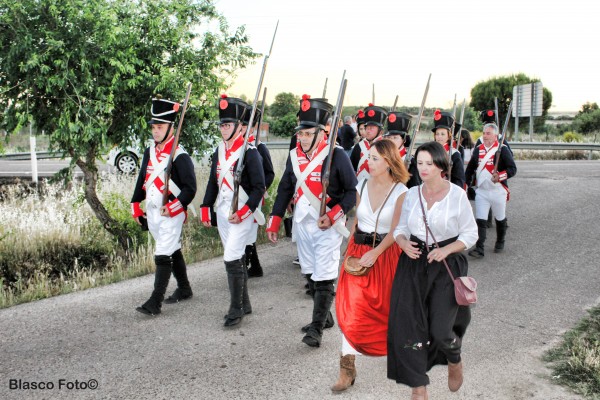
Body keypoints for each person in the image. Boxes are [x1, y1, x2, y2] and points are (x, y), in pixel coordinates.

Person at [387, 141, 478, 400]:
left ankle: (454, 358)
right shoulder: (412, 193)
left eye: (429, 163)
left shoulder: (457, 195)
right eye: (419, 163)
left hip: (446, 264)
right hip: (413, 264)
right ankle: (418, 385)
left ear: (441, 166)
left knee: (440, 330)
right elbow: (401, 228)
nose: (423, 169)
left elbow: (470, 233)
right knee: (409, 328)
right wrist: (403, 243)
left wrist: (447, 251)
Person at [266, 94, 357, 348]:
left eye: (308, 134)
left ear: (321, 133)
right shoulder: (295, 156)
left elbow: (351, 192)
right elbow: (285, 187)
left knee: (325, 274)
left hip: (327, 224)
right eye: (301, 134)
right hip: (301, 223)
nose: (303, 139)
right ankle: (325, 317)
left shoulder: (336, 155)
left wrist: (333, 214)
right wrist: (274, 220)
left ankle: (316, 329)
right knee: (310, 272)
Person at [332, 139, 409, 392]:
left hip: (385, 255)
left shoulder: (401, 191)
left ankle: (409, 355)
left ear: (389, 162)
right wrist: (349, 251)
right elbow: (356, 220)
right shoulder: (361, 184)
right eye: (369, 157)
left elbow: (396, 229)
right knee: (351, 309)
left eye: (375, 158)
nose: (369, 162)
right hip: (358, 252)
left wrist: (376, 253)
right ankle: (347, 369)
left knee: (386, 310)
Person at [199, 95, 266, 327]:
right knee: (235, 257)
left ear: (239, 127)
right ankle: (245, 303)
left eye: (228, 125)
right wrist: (206, 206)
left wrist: (246, 211)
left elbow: (259, 187)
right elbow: (212, 183)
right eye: (222, 125)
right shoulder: (219, 151)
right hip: (223, 211)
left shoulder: (250, 152)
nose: (223, 129)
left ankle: (235, 308)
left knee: (230, 257)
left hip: (242, 213)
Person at [132, 96, 197, 316]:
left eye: (160, 127)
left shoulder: (179, 155)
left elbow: (190, 188)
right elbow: (143, 179)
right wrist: (135, 204)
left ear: (171, 128)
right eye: (154, 127)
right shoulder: (150, 152)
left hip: (171, 212)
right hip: (153, 212)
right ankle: (185, 287)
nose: (155, 131)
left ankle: (154, 302)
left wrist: (175, 208)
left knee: (162, 253)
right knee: (172, 248)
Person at [465, 122, 517, 258]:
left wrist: (500, 176)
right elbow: (470, 169)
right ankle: (479, 248)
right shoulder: (478, 150)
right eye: (484, 133)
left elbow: (512, 169)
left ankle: (500, 241)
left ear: (495, 136)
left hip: (498, 191)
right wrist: (466, 185)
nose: (485, 136)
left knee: (500, 218)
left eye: (488, 133)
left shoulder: (503, 149)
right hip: (482, 191)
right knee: (480, 220)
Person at [241, 105, 275, 278]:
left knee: (249, 233)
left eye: (245, 126)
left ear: (252, 127)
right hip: (238, 199)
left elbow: (269, 174)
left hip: (253, 198)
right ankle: (255, 267)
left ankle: (245, 266)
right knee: (246, 233)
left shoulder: (259, 148)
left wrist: (259, 190)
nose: (242, 129)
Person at [350, 104, 387, 181]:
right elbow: (352, 169)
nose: (367, 131)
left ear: (380, 130)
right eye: (366, 128)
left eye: (371, 128)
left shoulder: (387, 147)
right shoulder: (359, 146)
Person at [383, 111, 420, 188]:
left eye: (395, 138)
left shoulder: (411, 162)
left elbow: (415, 188)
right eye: (389, 138)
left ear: (404, 140)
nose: (391, 141)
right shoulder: (383, 157)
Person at [432, 110, 465, 188]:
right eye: (437, 134)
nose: (439, 136)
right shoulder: (430, 152)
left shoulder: (454, 154)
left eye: (443, 134)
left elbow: (459, 179)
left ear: (449, 136)